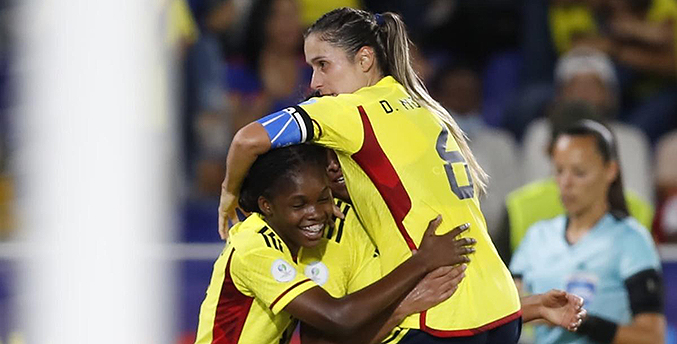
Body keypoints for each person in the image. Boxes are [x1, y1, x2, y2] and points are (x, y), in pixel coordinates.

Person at [218, 7, 581, 343]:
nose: (314, 82)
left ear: (364, 59)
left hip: (438, 313)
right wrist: (529, 307)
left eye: (323, 65)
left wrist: (229, 195)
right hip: (501, 308)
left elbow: (248, 139)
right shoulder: (426, 108)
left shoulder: (348, 111)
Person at [196, 144, 477, 344]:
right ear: (266, 206)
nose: (316, 213)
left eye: (322, 198)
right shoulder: (253, 245)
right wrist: (420, 264)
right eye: (299, 204)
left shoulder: (309, 236)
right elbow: (337, 316)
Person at [510, 120, 666, 344]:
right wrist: (542, 310)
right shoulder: (538, 237)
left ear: (610, 170)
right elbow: (504, 309)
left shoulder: (631, 239)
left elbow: (652, 337)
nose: (565, 183)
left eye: (579, 172)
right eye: (559, 171)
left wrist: (582, 322)